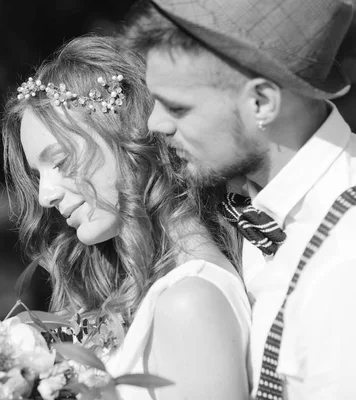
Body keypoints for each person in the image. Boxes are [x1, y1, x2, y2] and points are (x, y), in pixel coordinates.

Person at [123, 0, 356, 399]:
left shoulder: (345, 256)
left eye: (178, 107)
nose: (153, 124)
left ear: (262, 102)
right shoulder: (255, 205)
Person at [1, 35, 251, 400]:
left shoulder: (190, 303)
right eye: (39, 175)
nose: (45, 195)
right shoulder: (149, 292)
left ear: (125, 139)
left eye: (60, 161)